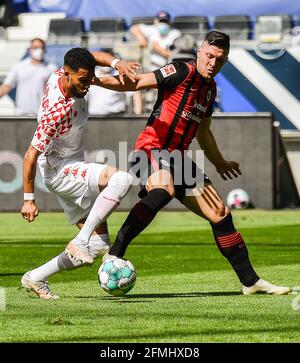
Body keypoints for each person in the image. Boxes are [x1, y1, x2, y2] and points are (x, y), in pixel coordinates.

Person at [95, 31, 291, 296]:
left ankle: (250, 282)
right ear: (200, 52)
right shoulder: (179, 71)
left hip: (178, 159)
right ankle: (114, 253)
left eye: (219, 60)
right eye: (209, 56)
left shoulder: (209, 91)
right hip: (149, 149)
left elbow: (204, 131)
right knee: (164, 190)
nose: (213, 63)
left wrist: (219, 162)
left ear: (225, 60)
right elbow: (136, 83)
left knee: (220, 214)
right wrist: (94, 81)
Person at [20, 48, 139, 299]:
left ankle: (35, 278)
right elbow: (30, 155)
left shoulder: (70, 72)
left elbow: (89, 55)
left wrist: (117, 62)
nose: (87, 85)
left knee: (99, 245)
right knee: (122, 179)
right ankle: (80, 240)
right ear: (66, 74)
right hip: (60, 170)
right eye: (83, 80)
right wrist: (29, 199)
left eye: (90, 78)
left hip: (70, 164)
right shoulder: (56, 111)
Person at [0, 38, 57, 115]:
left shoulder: (51, 68)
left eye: (42, 48)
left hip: (41, 115)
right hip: (21, 114)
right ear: (30, 49)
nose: (39, 50)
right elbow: (6, 86)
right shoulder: (19, 66)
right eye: (36, 48)